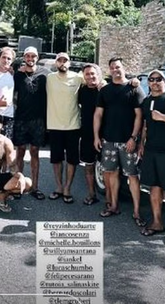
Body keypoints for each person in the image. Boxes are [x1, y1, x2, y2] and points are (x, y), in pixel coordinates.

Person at [93, 57, 146, 226]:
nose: (115, 70)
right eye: (112, 68)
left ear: (124, 68)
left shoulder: (134, 89)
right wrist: (96, 136)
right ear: (109, 70)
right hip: (108, 141)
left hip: (127, 142)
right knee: (111, 173)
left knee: (132, 176)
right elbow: (98, 114)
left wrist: (133, 138)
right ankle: (114, 206)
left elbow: (139, 116)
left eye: (118, 67)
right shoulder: (105, 90)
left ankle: (137, 212)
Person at [13, 46, 50, 200]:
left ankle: (35, 187)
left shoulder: (46, 74)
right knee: (20, 151)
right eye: (27, 56)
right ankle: (18, 186)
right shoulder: (17, 75)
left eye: (33, 56)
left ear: (37, 57)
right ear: (24, 58)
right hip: (21, 118)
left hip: (38, 120)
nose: (30, 59)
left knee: (34, 152)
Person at [46, 52, 83, 204]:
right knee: (56, 159)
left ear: (69, 63)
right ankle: (59, 187)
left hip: (73, 125)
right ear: (56, 63)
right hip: (54, 125)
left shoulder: (78, 78)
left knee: (72, 160)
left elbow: (96, 80)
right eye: (59, 60)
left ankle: (68, 188)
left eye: (65, 60)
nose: (62, 63)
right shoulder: (49, 78)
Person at [139, 69, 165, 236]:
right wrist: (141, 144)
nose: (155, 82)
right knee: (154, 187)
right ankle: (157, 222)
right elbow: (145, 125)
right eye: (152, 79)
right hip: (151, 150)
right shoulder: (147, 101)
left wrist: (162, 117)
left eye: (159, 79)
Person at [78, 63, 103, 205]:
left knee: (107, 169)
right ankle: (92, 194)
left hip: (105, 134)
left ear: (98, 75)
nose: (90, 76)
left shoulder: (104, 90)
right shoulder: (81, 91)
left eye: (93, 73)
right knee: (88, 166)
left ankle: (111, 200)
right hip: (87, 134)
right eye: (87, 74)